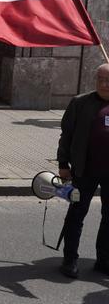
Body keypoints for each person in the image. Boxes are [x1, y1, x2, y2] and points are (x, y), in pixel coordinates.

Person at [56, 63, 109, 279]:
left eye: (108, 80)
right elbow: (66, 135)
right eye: (100, 79)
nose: (104, 84)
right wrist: (63, 164)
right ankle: (70, 259)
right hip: (83, 170)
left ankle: (104, 259)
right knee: (76, 215)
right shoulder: (80, 103)